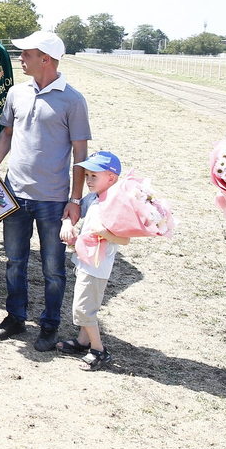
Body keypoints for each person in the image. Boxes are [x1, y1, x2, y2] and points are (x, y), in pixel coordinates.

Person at [0, 30, 90, 351]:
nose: (20, 59)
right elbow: (6, 133)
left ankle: (49, 325)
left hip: (53, 201)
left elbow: (80, 155)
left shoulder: (73, 100)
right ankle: (15, 317)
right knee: (14, 261)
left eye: (26, 54)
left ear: (45, 58)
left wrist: (74, 200)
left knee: (53, 269)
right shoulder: (16, 93)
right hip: (15, 195)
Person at [57, 152, 131, 371]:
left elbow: (124, 239)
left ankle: (99, 350)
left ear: (111, 178)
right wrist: (69, 226)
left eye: (94, 176)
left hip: (97, 267)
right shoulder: (92, 199)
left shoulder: (114, 204)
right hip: (85, 261)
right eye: (87, 175)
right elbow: (76, 215)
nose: (88, 180)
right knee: (86, 305)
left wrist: (104, 232)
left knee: (83, 310)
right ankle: (83, 341)